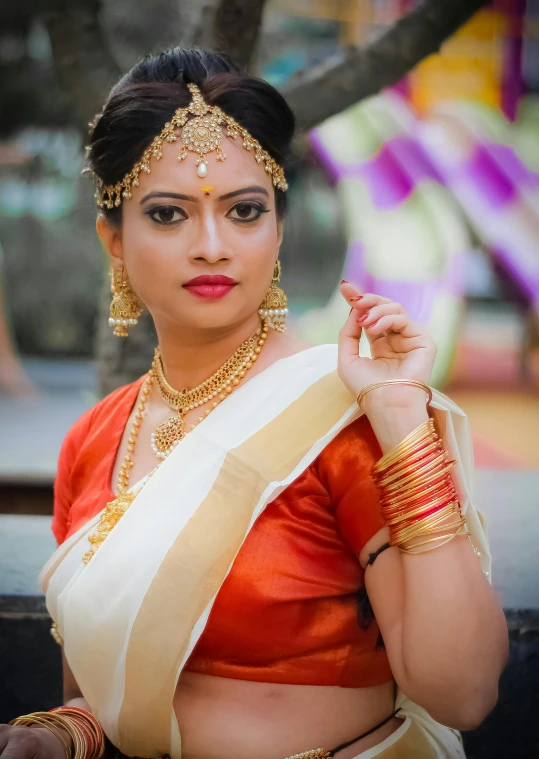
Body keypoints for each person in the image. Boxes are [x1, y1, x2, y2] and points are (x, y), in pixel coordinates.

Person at [1, 48, 508, 759]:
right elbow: (104, 695)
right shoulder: (95, 439)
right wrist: (56, 733)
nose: (212, 246)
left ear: (276, 230)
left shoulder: (345, 419)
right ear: (113, 241)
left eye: (244, 210)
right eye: (169, 213)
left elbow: (463, 691)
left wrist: (399, 417)